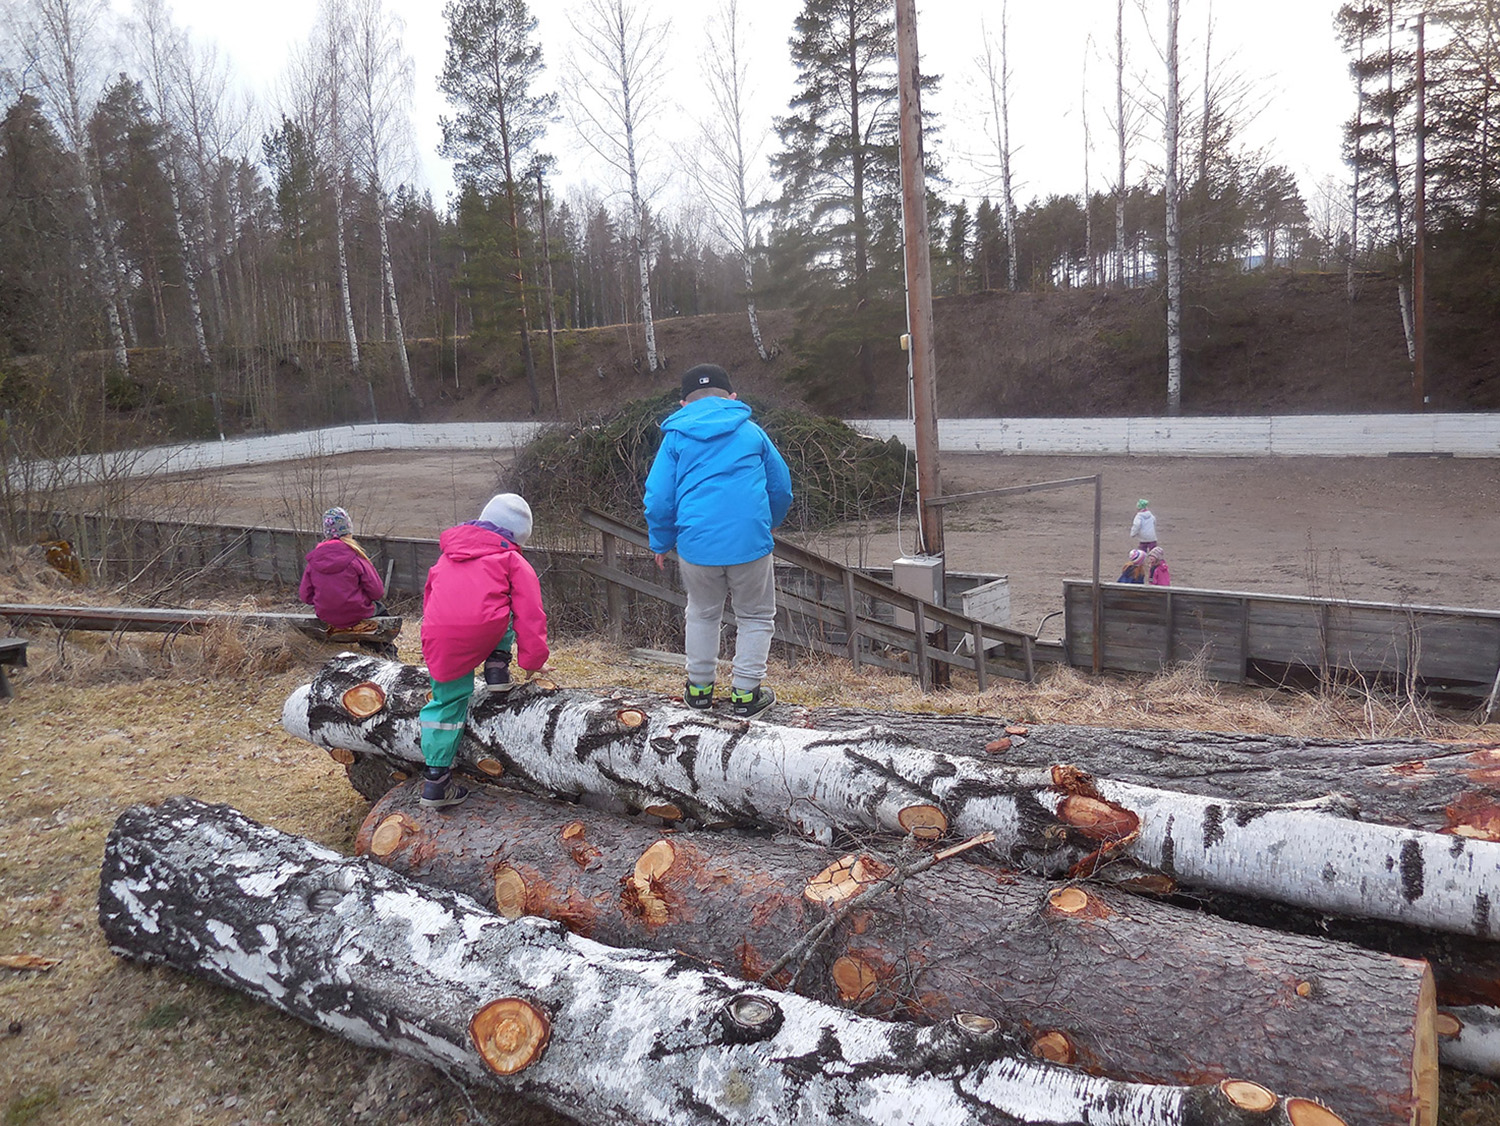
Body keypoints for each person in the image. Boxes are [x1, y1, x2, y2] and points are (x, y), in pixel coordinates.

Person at [644, 363, 793, 719]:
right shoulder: (752, 433)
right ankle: (745, 695)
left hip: (697, 543)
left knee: (701, 613)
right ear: (733, 398)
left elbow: (659, 497)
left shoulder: (675, 438)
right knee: (755, 616)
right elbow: (781, 487)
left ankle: (698, 691)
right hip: (749, 542)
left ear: (683, 404)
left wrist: (661, 541)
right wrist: (770, 523)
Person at [416, 493, 549, 808]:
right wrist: (532, 659)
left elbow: (430, 598)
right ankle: (497, 669)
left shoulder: (447, 556)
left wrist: (434, 641)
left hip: (439, 633)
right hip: (485, 629)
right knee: (505, 605)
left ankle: (435, 782)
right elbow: (531, 612)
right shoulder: (512, 560)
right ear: (518, 536)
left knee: (446, 702)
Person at [298, 507, 386, 629]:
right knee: (382, 612)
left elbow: (305, 596)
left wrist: (326, 602)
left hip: (326, 616)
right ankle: (381, 647)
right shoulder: (356, 557)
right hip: (357, 614)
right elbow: (377, 592)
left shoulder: (313, 561)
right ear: (348, 531)